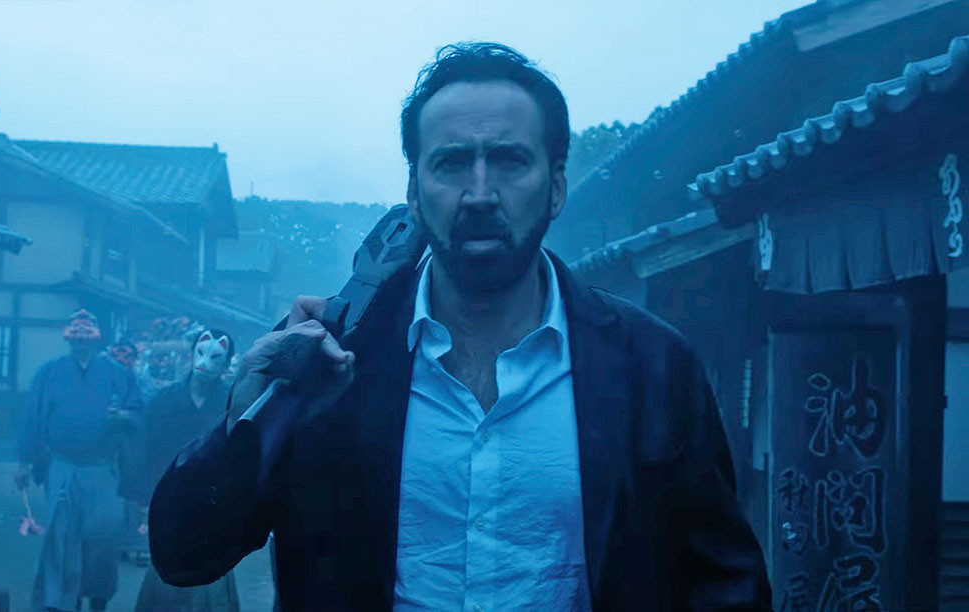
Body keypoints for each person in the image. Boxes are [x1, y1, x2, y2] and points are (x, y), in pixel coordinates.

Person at [150, 42, 772, 611]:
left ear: (556, 188)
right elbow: (184, 555)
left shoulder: (652, 366)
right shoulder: (332, 358)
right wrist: (245, 417)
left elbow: (725, 587)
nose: (479, 194)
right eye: (450, 164)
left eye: (509, 161)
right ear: (413, 193)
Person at [16, 309, 141, 612]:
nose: (82, 335)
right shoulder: (48, 373)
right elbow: (33, 418)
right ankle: (61, 603)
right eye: (76, 329)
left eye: (89, 328)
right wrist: (25, 462)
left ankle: (98, 602)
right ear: (68, 337)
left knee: (102, 539)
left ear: (97, 338)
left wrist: (124, 416)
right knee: (60, 537)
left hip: (103, 470)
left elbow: (139, 414)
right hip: (63, 466)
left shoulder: (119, 374)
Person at [123, 329, 240, 612]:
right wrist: (144, 497)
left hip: (213, 503)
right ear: (191, 355)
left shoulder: (233, 404)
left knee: (211, 571)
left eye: (216, 357)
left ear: (226, 364)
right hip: (169, 499)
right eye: (200, 353)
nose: (205, 362)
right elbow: (146, 450)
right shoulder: (163, 400)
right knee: (167, 567)